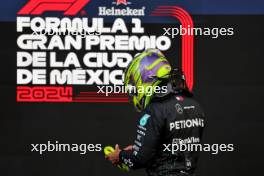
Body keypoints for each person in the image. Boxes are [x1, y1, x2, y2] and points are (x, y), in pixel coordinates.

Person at [106, 49, 205, 176]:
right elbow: (173, 147)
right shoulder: (194, 104)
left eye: (134, 84)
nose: (134, 90)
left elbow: (139, 159)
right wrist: (142, 147)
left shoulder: (155, 109)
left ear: (144, 76)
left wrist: (119, 155)